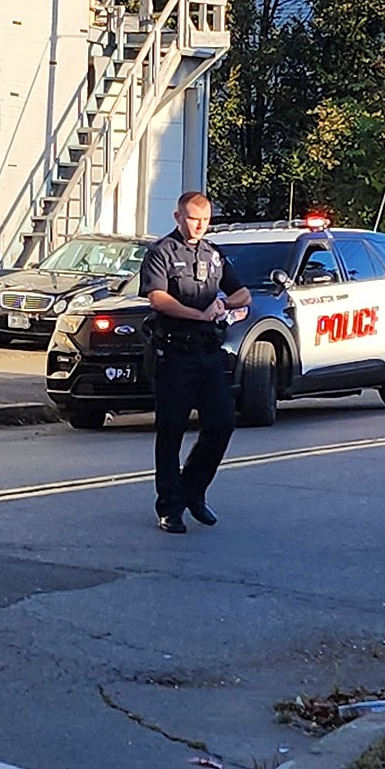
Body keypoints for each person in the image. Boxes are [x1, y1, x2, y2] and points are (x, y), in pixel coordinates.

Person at [139, 191, 250, 534]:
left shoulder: (214, 253)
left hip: (208, 352)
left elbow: (243, 293)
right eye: (192, 219)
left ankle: (193, 490)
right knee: (171, 430)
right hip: (175, 353)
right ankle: (169, 507)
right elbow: (158, 298)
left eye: (204, 220)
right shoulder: (162, 252)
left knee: (222, 424)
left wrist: (224, 305)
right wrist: (196, 315)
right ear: (177, 217)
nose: (199, 226)